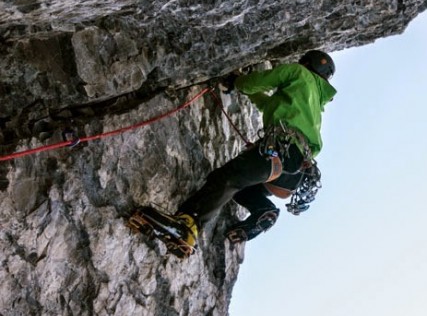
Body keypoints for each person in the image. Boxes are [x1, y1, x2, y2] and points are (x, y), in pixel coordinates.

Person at [128, 50, 337, 258]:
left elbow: (257, 82)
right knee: (239, 186)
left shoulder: (298, 73)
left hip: (281, 151)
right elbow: (267, 104)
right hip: (294, 171)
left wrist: (238, 81)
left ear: (306, 62)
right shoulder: (314, 101)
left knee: (226, 178)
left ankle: (187, 225)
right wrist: (244, 89)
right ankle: (262, 209)